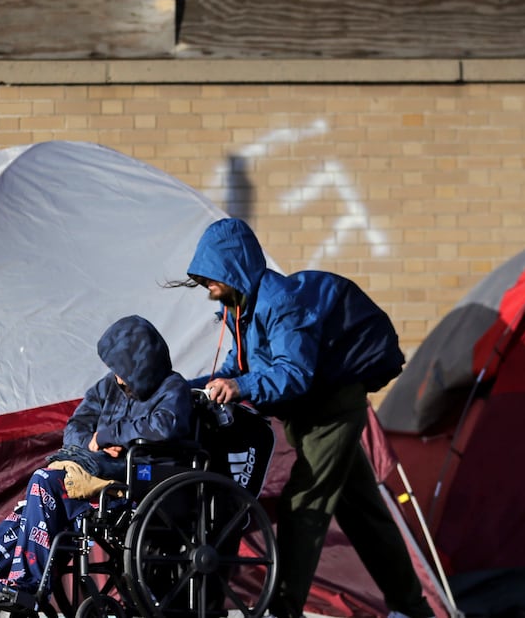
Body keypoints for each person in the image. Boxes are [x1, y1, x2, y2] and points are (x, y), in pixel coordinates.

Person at [179, 217, 433, 618]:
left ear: (233, 266)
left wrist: (241, 389)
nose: (206, 286)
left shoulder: (280, 302)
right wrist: (184, 385)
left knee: (305, 505)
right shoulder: (242, 310)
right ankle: (413, 608)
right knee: (365, 514)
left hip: (330, 411)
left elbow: (293, 373)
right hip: (312, 415)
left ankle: (283, 608)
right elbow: (237, 366)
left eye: (210, 275)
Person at [0, 314, 192, 618]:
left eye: (124, 370)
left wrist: (107, 435)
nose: (119, 378)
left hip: (137, 483)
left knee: (44, 481)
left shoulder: (172, 387)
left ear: (141, 365)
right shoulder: (108, 387)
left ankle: (27, 585)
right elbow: (75, 426)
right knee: (14, 529)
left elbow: (164, 427)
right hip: (92, 479)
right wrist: (92, 441)